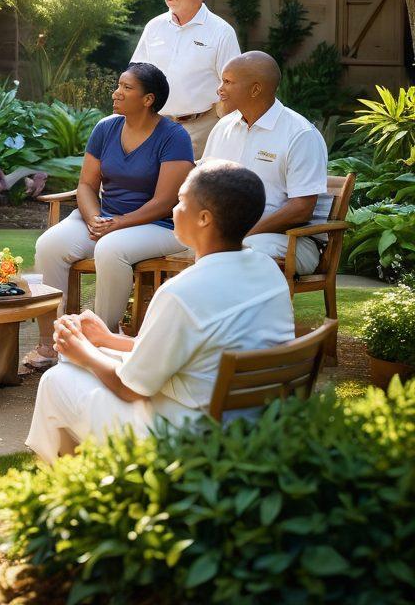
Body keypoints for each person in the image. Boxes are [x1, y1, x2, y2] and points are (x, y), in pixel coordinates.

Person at [25, 161, 296, 464]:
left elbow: (130, 388)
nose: (174, 210)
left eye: (181, 202)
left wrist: (82, 350)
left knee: (58, 379)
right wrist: (107, 339)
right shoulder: (267, 269)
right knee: (84, 362)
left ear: (204, 218)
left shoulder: (181, 293)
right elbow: (198, 348)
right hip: (250, 423)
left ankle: (69, 479)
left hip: (190, 440)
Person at [26, 63, 194, 369]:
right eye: (118, 85)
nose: (116, 93)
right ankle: (51, 342)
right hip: (104, 220)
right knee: (49, 245)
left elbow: (165, 201)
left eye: (127, 88)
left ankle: (101, 341)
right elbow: (86, 185)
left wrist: (117, 224)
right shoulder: (106, 128)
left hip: (158, 225)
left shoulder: (174, 136)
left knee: (111, 249)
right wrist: (94, 218)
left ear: (148, 99)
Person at [202, 51, 330, 274]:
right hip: (226, 234)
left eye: (228, 82)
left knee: (236, 253)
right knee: (181, 242)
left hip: (291, 240)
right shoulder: (223, 127)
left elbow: (301, 209)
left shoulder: (300, 134)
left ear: (255, 89)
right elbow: (204, 185)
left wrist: (241, 234)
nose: (220, 89)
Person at [131, 0, 241, 158]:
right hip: (154, 124)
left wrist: (222, 118)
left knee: (193, 179)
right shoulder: (154, 26)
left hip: (201, 127)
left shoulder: (221, 32)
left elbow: (235, 85)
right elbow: (137, 73)